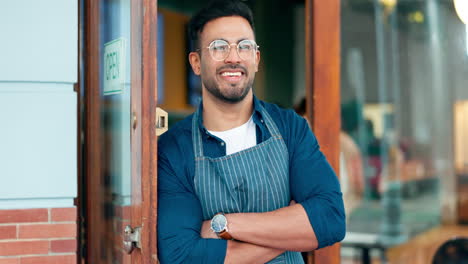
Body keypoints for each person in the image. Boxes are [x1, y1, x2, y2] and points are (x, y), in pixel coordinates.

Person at [157, 1, 345, 263]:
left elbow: (331, 218)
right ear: (196, 62)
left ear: (255, 59)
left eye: (244, 46)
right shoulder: (173, 149)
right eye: (219, 47)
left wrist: (222, 225)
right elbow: (182, 255)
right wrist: (292, 231)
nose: (233, 57)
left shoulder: (290, 127)